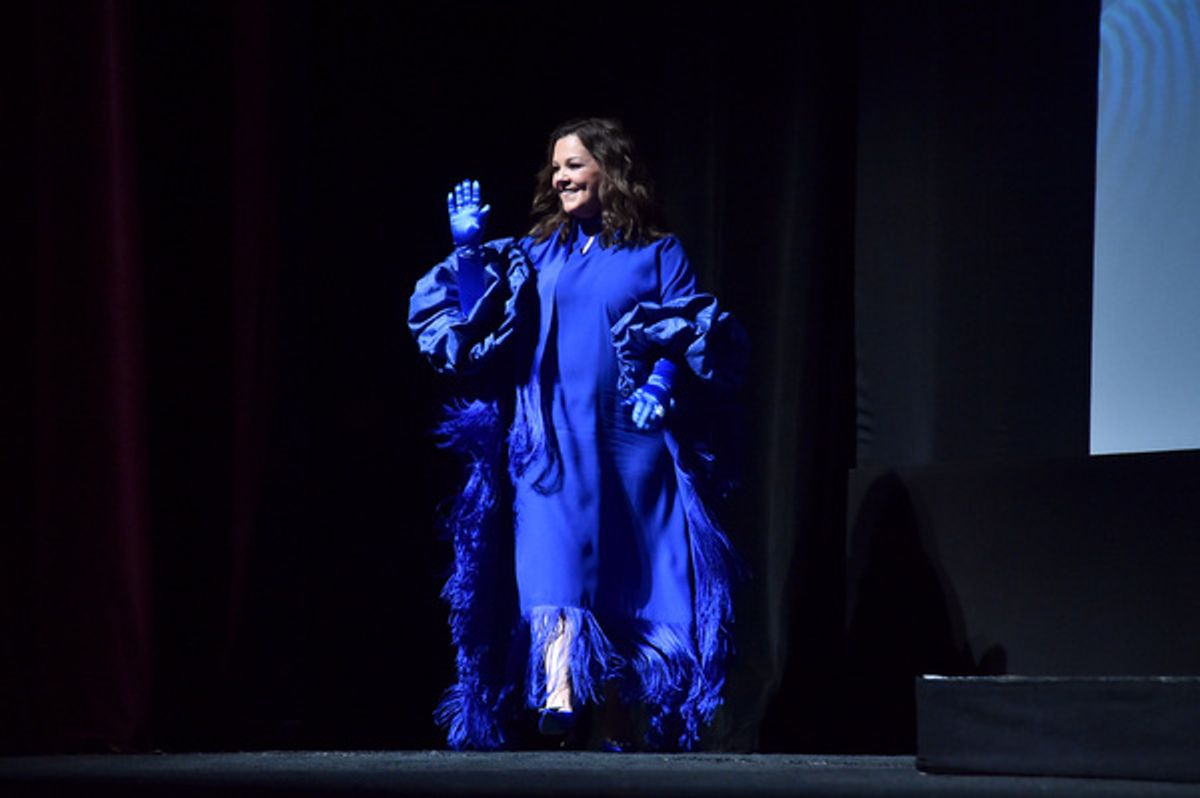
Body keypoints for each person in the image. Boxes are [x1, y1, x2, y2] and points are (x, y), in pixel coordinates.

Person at [408, 118, 747, 751]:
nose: (561, 177)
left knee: (627, 570)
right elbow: (485, 326)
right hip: (549, 440)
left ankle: (619, 723)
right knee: (552, 559)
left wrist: (659, 386)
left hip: (629, 441)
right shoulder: (540, 251)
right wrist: (470, 252)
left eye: (574, 165)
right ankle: (559, 688)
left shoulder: (656, 251)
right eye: (556, 167)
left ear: (609, 170)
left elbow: (684, 323)